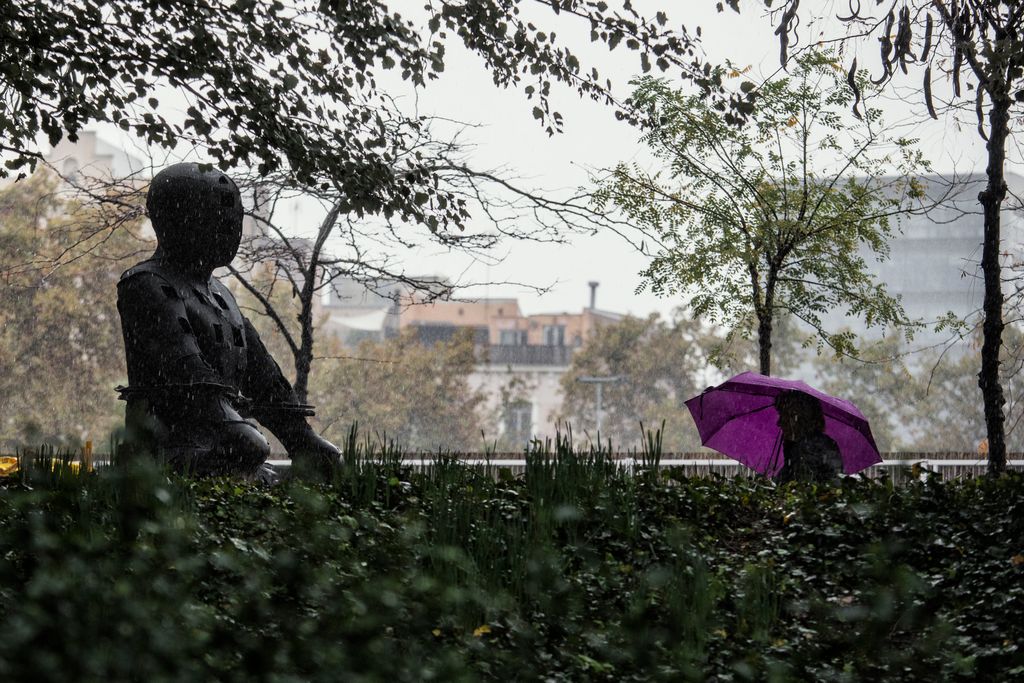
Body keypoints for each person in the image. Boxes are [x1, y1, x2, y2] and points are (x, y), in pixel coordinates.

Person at [117, 163, 340, 478]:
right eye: (217, 220)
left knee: (316, 461)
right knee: (250, 448)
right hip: (169, 455)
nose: (230, 230)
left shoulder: (220, 294)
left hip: (224, 443)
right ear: (177, 220)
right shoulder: (145, 283)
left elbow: (263, 377)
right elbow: (187, 373)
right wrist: (235, 429)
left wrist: (300, 437)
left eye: (234, 220)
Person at [773, 390, 842, 483]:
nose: (779, 423)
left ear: (797, 417)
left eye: (783, 415)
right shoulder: (796, 448)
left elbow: (800, 488)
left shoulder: (811, 449)